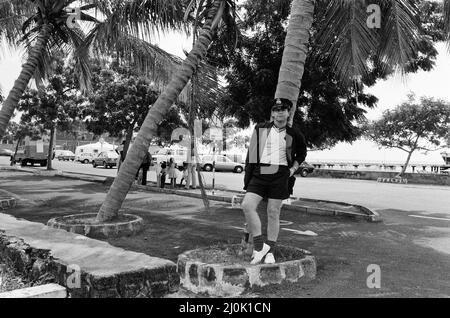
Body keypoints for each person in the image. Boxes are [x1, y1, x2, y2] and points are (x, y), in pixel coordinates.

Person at [241, 98, 307, 265]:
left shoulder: (294, 133)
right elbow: (252, 153)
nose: (279, 112)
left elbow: (302, 154)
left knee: (273, 212)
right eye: (276, 109)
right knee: (247, 205)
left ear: (288, 113)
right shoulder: (261, 128)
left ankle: (269, 251)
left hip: (280, 174)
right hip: (260, 172)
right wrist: (248, 176)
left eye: (283, 109)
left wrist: (292, 170)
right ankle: (258, 247)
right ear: (272, 113)